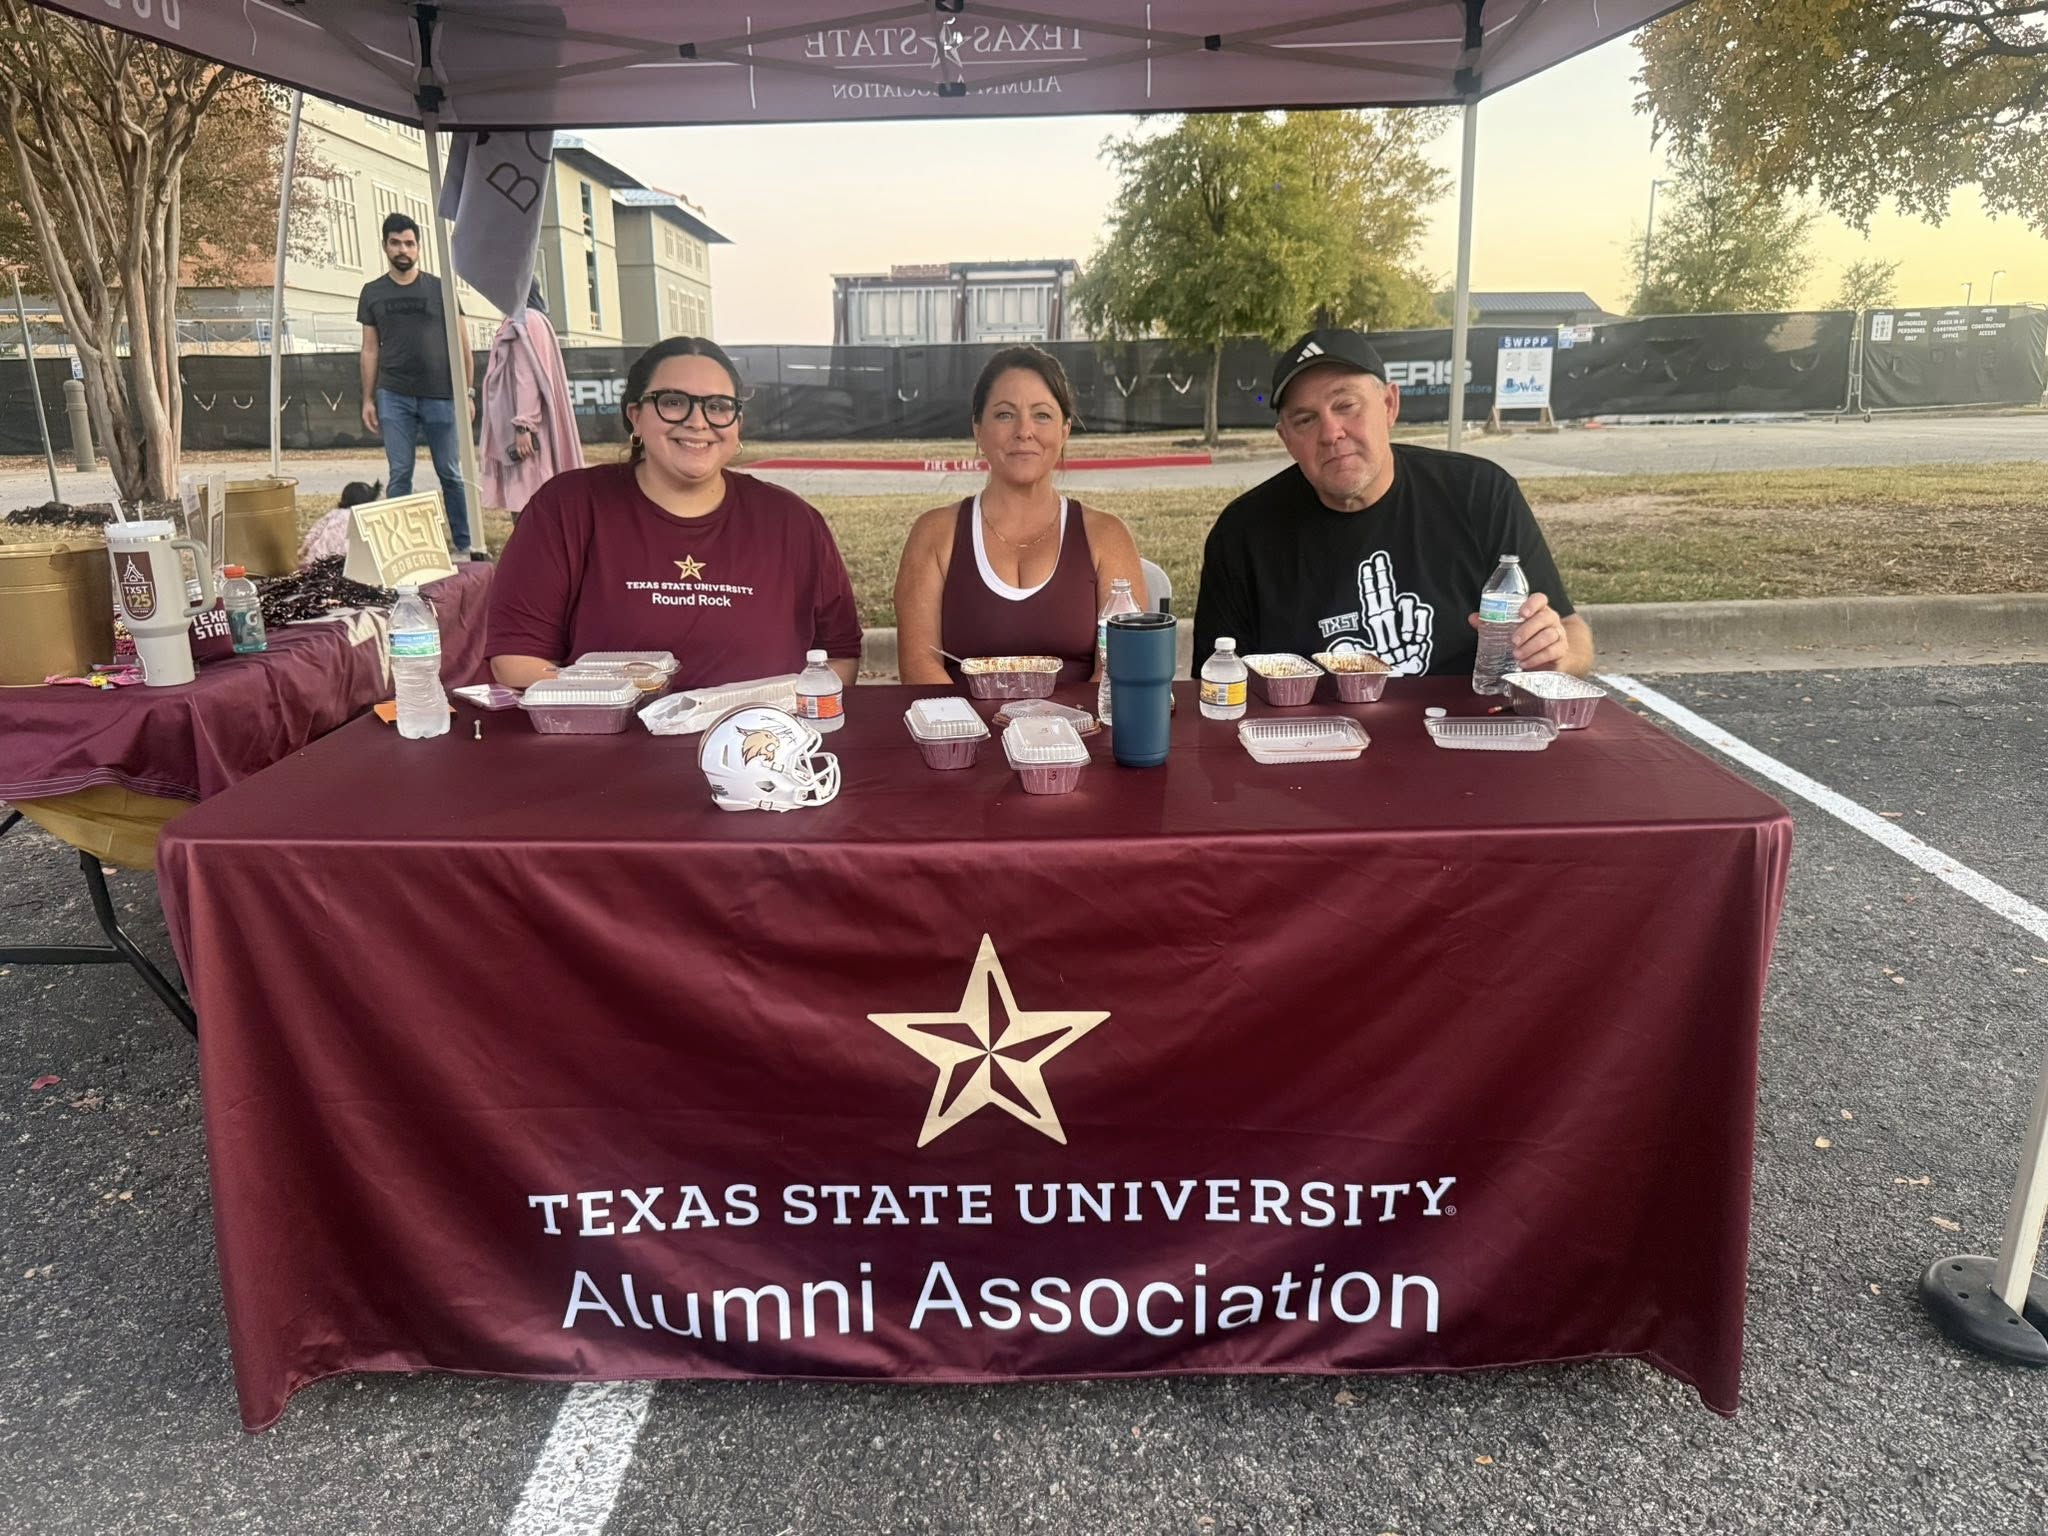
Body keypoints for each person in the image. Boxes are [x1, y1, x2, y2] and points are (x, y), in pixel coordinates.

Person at [1191, 328, 1593, 678]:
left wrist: (1554, 655)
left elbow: (1573, 634)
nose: (1331, 432)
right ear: (1286, 439)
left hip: (1463, 741)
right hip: (1307, 752)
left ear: (1389, 406)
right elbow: (1216, 684)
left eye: (1346, 405)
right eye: (1305, 420)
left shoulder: (1480, 494)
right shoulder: (1242, 534)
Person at [486, 336, 862, 692]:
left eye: (717, 407)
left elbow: (840, 656)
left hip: (759, 749)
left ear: (737, 424)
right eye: (673, 401)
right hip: (609, 751)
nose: (698, 422)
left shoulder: (793, 522)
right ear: (636, 415)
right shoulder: (568, 507)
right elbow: (517, 658)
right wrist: (618, 710)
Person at [893, 345, 1146, 687]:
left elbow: (1120, 669)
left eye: (1042, 415)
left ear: (1065, 430)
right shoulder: (935, 534)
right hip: (965, 735)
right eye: (1004, 414)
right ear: (978, 430)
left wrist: (1062, 733)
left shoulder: (1106, 536)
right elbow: (918, 665)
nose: (1024, 431)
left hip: (1081, 735)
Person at [357, 212, 474, 554]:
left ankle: (465, 544)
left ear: (419, 248)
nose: (403, 249)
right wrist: (367, 398)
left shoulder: (441, 289)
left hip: (442, 396)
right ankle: (400, 550)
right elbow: (368, 349)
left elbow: (463, 344)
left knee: (450, 473)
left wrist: (467, 392)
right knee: (400, 474)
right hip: (394, 395)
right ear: (385, 246)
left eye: (409, 243)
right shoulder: (372, 293)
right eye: (395, 243)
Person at [480, 282, 583, 518]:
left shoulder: (524, 321)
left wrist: (524, 424)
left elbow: (526, 377)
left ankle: (533, 553)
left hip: (528, 432)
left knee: (529, 501)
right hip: (532, 427)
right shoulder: (531, 320)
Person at [296, 479, 384, 567]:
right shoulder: (366, 519)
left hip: (315, 562)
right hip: (345, 566)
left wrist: (303, 549)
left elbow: (314, 533)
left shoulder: (334, 514)